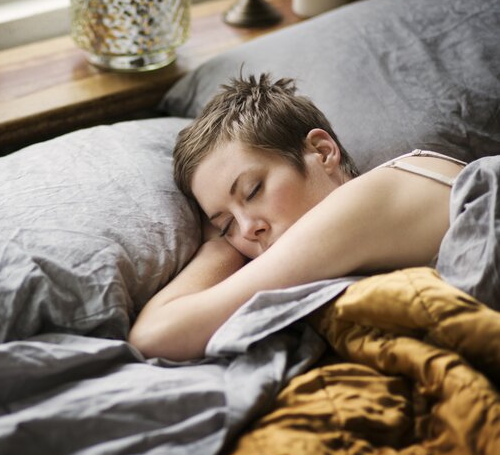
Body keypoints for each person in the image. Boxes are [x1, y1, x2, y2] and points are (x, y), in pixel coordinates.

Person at [128, 73, 466, 361]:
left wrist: (218, 250)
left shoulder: (369, 198)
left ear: (321, 152)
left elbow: (156, 335)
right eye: (226, 225)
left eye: (253, 190)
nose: (248, 230)